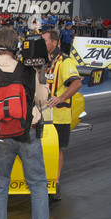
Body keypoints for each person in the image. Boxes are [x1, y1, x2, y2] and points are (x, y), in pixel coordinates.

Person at [0, 27, 58, 219]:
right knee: (38, 185)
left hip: (0, 134)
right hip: (28, 132)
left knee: (0, 185)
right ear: (16, 46)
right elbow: (42, 99)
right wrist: (41, 72)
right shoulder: (28, 69)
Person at [42, 30, 82, 201]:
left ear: (55, 42)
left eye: (44, 41)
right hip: (40, 115)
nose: (42, 44)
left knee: (56, 150)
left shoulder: (65, 61)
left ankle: (55, 183)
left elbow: (77, 82)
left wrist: (61, 98)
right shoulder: (40, 60)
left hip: (59, 116)